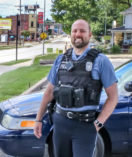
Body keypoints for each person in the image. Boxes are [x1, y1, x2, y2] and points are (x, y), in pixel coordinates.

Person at [33, 19, 118, 157]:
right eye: (74, 31)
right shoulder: (61, 60)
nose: (78, 34)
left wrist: (98, 123)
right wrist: (38, 119)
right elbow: (49, 92)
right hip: (60, 123)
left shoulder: (101, 61)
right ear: (70, 34)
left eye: (82, 31)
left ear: (89, 34)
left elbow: (113, 97)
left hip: (85, 126)